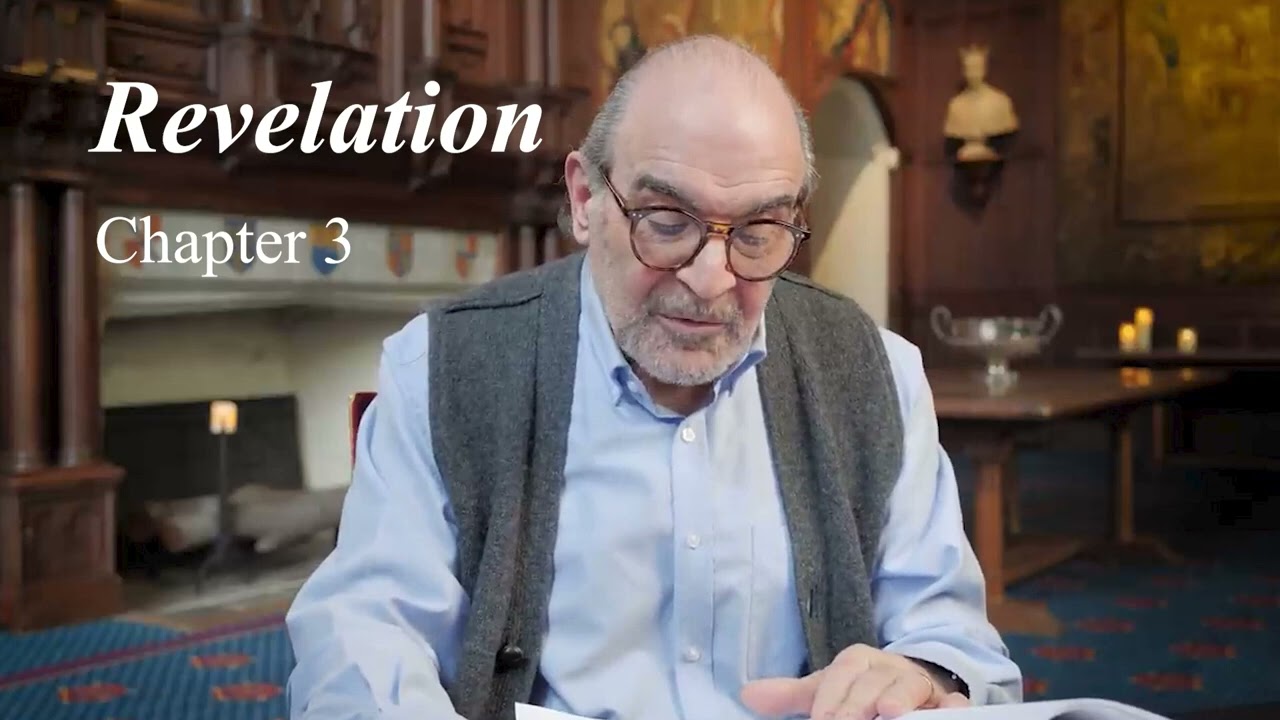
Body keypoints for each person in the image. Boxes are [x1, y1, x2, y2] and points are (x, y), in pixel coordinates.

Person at [285, 34, 1023, 720]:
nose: (710, 280)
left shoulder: (876, 372)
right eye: (667, 222)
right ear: (584, 200)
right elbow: (362, 634)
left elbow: (953, 639)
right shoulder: (443, 365)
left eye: (758, 233)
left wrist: (925, 676)